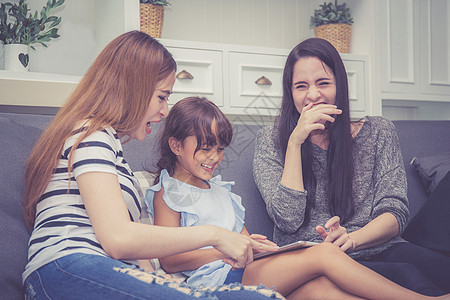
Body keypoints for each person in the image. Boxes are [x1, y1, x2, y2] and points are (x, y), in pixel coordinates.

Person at [21, 31, 283, 300]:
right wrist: (215, 236)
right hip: (67, 268)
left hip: (98, 269)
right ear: (131, 89)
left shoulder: (109, 147)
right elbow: (118, 239)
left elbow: (131, 249)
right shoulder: (90, 135)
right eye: (161, 97)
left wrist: (157, 280)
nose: (165, 110)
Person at [145, 96, 449, 300]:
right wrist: (231, 251)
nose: (214, 158)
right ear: (175, 145)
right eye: (205, 148)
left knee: (321, 289)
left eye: (220, 149)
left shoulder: (222, 191)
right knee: (325, 254)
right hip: (212, 281)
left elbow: (244, 241)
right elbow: (170, 260)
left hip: (240, 270)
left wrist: (258, 246)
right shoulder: (168, 192)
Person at [253, 37, 450, 296]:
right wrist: (295, 143)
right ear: (290, 93)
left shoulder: (379, 132)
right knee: (409, 277)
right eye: (301, 86)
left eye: (323, 83)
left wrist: (353, 239)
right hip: (317, 261)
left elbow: (395, 212)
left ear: (340, 86)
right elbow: (287, 220)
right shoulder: (271, 141)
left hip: (379, 245)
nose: (313, 95)